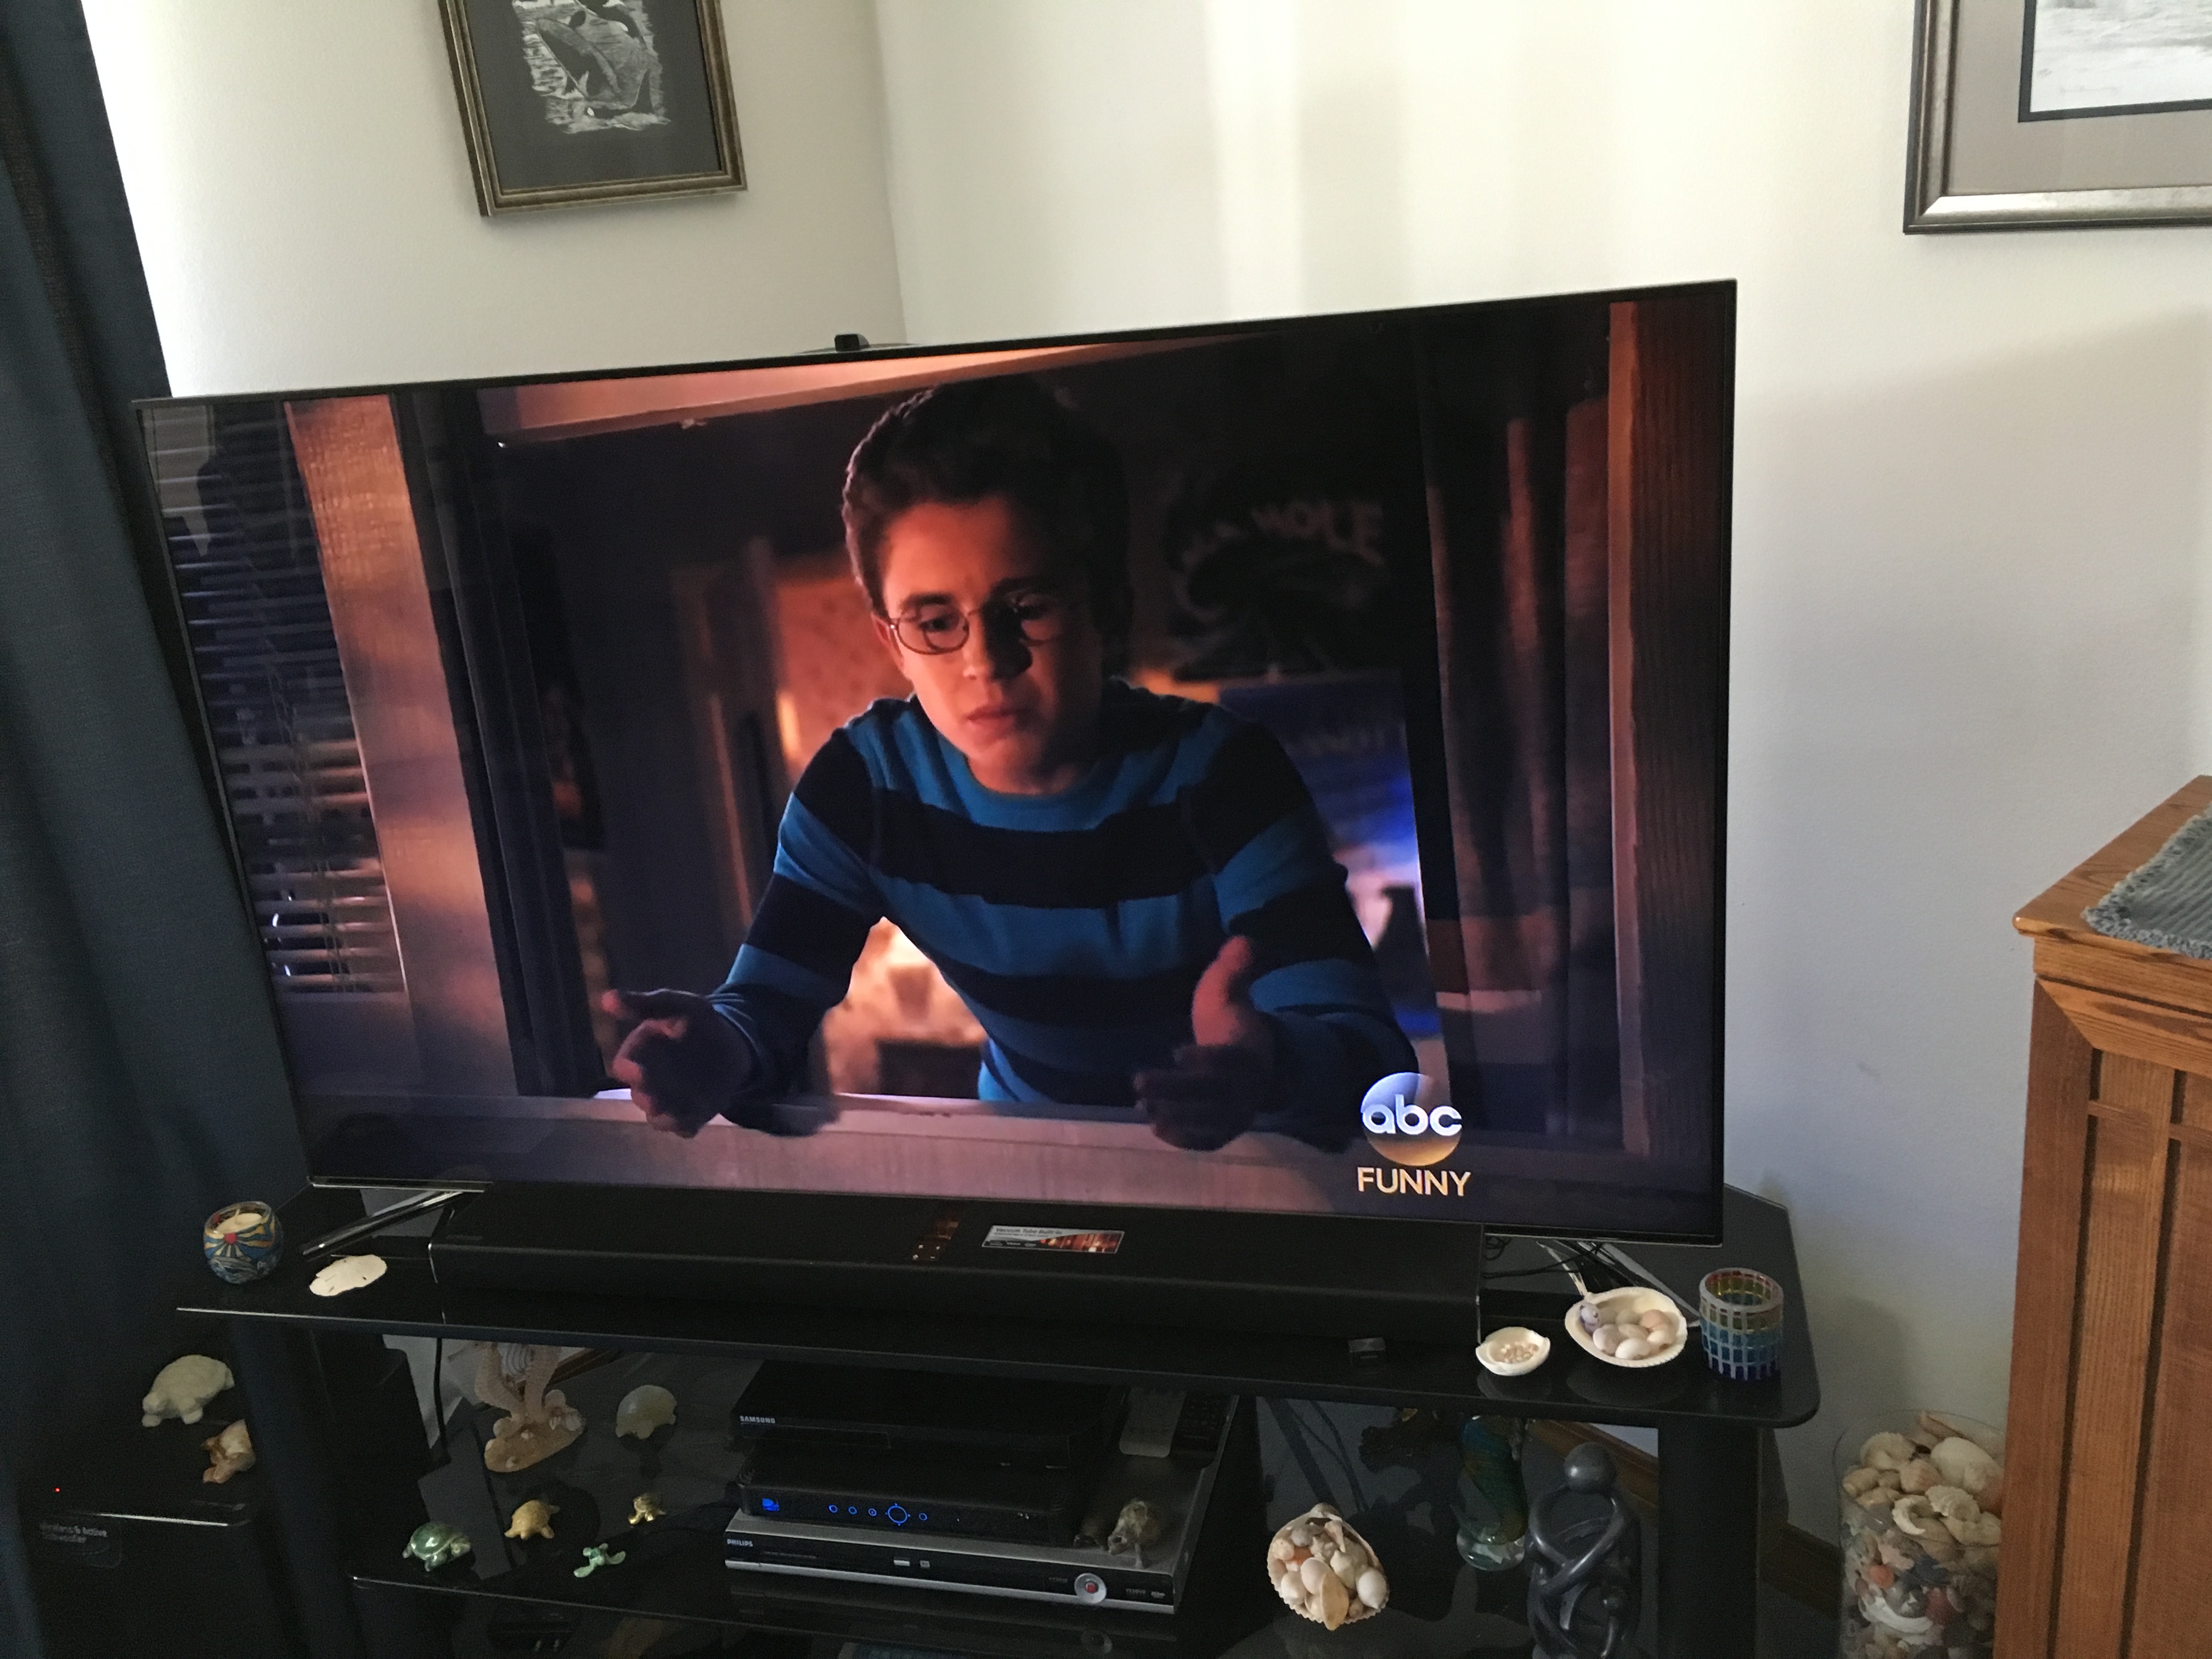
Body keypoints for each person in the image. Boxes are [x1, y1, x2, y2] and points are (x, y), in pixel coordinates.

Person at [603, 376, 1413, 1152]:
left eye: (1027, 608)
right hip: (1032, 1161)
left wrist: (1266, 1069)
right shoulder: (866, 789)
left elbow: (1377, 1061)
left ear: (1107, 606)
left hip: (1252, 1176)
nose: (985, 662)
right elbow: (766, 1005)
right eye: (935, 622)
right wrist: (717, 1049)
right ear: (893, 642)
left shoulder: (1223, 775)